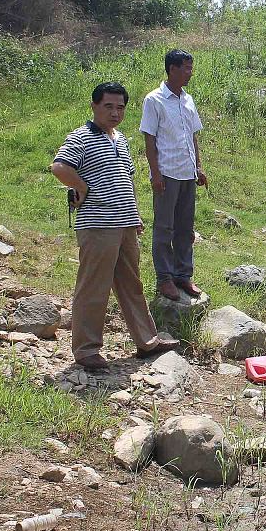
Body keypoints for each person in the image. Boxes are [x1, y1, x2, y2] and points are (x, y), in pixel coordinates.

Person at [50, 82, 180, 369]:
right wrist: (81, 186)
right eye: (108, 106)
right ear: (94, 106)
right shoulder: (81, 137)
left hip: (124, 224)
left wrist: (135, 217)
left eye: (120, 107)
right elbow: (59, 167)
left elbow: (126, 180)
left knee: (131, 284)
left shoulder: (120, 139)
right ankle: (86, 350)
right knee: (93, 287)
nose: (114, 112)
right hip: (97, 224)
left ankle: (147, 341)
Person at [140, 49, 207, 301]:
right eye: (186, 68)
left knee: (185, 228)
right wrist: (155, 174)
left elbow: (193, 136)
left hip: (187, 173)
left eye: (191, 67)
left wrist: (198, 167)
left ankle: (183, 275)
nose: (190, 73)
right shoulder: (154, 100)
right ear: (172, 69)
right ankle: (164, 278)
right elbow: (150, 139)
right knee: (164, 228)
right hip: (166, 174)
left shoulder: (187, 100)